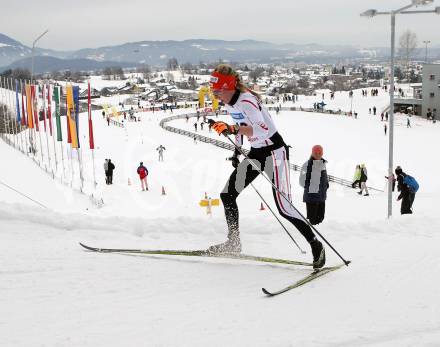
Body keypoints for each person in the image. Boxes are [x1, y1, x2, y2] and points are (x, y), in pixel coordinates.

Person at [207, 64, 325, 269]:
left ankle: (316, 245)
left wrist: (232, 127)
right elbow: (241, 129)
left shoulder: (247, 101)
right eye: (213, 91)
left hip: (274, 152)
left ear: (229, 87)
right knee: (227, 194)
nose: (215, 95)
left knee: (284, 207)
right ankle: (233, 242)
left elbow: (261, 131)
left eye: (218, 91)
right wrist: (236, 150)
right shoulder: (230, 103)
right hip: (257, 153)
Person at [299, 145, 329, 225]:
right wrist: (312, 187)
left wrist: (326, 184)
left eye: (320, 153)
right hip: (312, 198)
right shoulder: (307, 165)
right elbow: (302, 181)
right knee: (313, 221)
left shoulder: (323, 164)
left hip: (321, 197)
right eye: (316, 152)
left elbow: (324, 177)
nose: (318, 154)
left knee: (321, 219)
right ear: (312, 153)